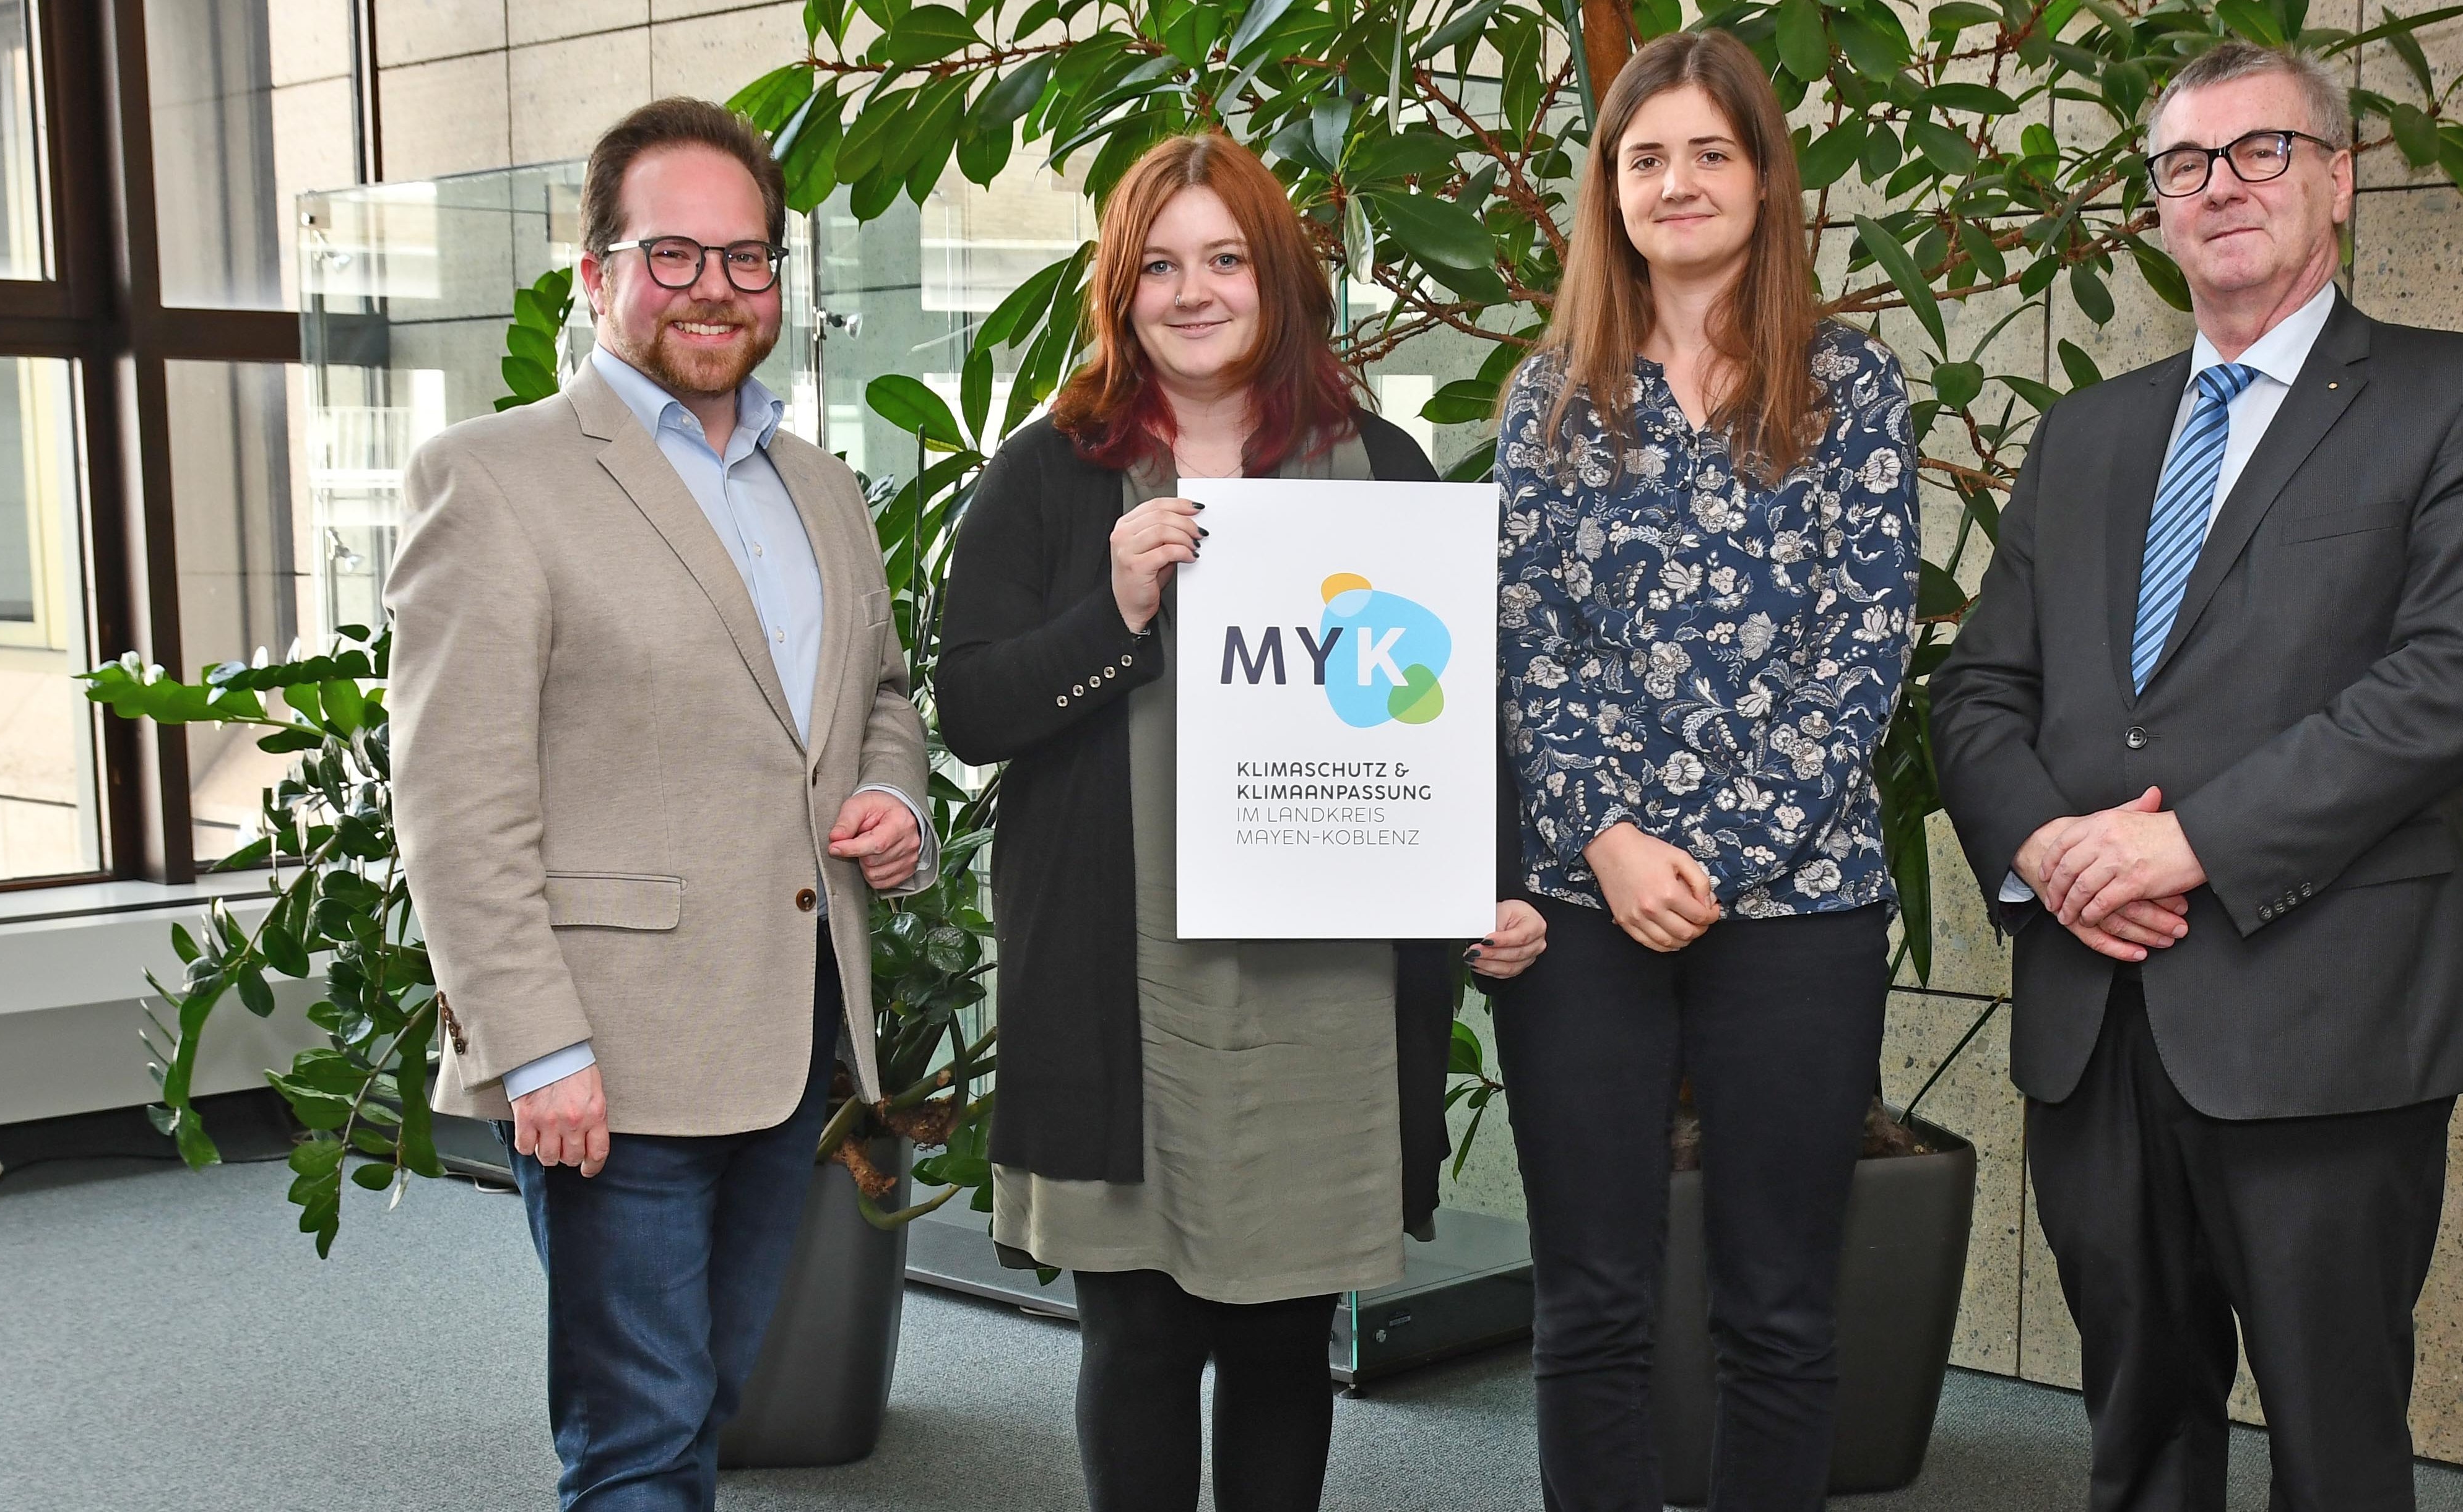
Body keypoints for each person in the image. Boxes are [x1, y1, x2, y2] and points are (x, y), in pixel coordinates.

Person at [1926, 40, 2463, 1512]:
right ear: (2153, 211)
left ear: (2336, 178)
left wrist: (2184, 844)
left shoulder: (2457, 401)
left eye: (2260, 151)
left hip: (2324, 1018)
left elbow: (2442, 687)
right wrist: (2052, 854)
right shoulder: (2084, 435)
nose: (2220, 187)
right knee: (2135, 1424)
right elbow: (1980, 692)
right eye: (2183, 165)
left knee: (2336, 1441)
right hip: (2098, 1020)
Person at [933, 131, 1546, 1512]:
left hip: (1319, 986)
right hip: (1121, 973)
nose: (1191, 291)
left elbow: (1454, 711)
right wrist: (1116, 612)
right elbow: (969, 708)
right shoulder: (1050, 474)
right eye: (1158, 264)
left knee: (1280, 1337)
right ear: (1118, 288)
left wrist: (1485, 883)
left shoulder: (1378, 465)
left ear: (1277, 281)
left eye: (1223, 259)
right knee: (1139, 1335)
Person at [386, 98, 935, 1511]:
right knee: (636, 1438)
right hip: (606, 1057)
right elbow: (456, 799)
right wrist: (535, 1046)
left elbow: (878, 691)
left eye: (747, 260)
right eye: (673, 253)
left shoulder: (820, 486)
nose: (715, 289)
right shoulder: (494, 481)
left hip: (790, 1025)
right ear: (595, 272)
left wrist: (888, 789)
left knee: (711, 1404)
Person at [1486, 28, 1920, 1512]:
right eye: (1644, 157)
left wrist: (1718, 859)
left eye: (1708, 153)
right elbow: (1526, 646)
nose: (1676, 183)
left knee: (1781, 1310)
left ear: (1762, 178)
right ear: (1609, 190)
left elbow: (1862, 652)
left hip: (1801, 910)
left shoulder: (1852, 392)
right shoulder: (1545, 400)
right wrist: (1607, 837)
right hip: (1582, 905)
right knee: (1590, 1306)